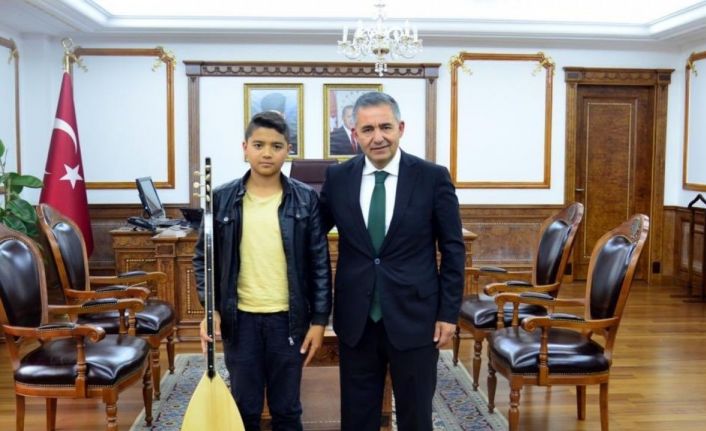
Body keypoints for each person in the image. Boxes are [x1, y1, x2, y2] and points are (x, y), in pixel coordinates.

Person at [319, 92, 465, 431]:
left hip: (416, 317)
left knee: (415, 416)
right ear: (355, 134)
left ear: (400, 128)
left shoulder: (432, 177)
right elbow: (311, 233)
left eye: (385, 127)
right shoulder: (338, 178)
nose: (378, 137)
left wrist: (448, 313)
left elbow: (453, 249)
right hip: (357, 320)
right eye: (367, 129)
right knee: (357, 418)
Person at [193, 111, 332, 431]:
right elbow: (204, 259)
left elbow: (319, 263)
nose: (267, 153)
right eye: (258, 145)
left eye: (276, 146)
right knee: (245, 407)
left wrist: (319, 321)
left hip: (289, 321)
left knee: (287, 409)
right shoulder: (221, 198)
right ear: (245, 148)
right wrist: (211, 309)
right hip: (240, 321)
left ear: (288, 150)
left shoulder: (305, 198)